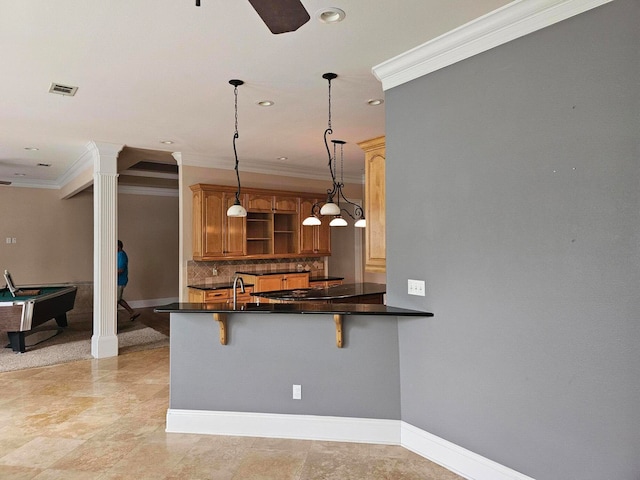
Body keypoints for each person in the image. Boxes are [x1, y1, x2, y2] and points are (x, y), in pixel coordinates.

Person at [117, 240, 140, 321]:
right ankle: (132, 312)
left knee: (117, 299)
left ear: (118, 246)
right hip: (117, 281)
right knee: (118, 299)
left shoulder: (121, 255)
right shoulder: (118, 254)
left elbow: (120, 270)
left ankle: (131, 312)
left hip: (120, 281)